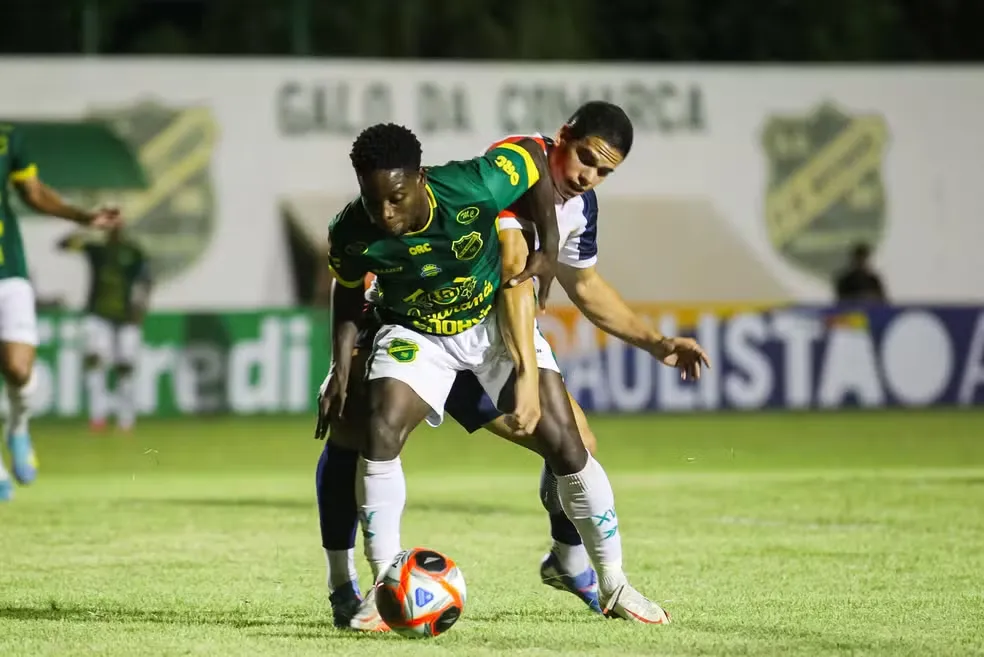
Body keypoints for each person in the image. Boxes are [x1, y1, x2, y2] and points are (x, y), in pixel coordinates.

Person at [316, 102, 711, 626]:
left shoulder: (551, 199)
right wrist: (340, 369)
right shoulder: (488, 179)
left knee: (573, 444)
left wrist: (653, 340)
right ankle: (373, 586)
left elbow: (581, 284)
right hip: (413, 327)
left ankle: (598, 576)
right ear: (563, 137)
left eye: (604, 171)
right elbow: (512, 266)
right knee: (367, 431)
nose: (588, 177)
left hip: (486, 330)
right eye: (585, 160)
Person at [0, 123, 122, 502]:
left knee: (19, 369)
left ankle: (18, 426)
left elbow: (32, 192)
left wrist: (82, 217)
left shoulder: (6, 137)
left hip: (8, 270)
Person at [57, 225, 152, 432]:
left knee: (125, 366)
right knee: (95, 360)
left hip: (127, 317)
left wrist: (142, 308)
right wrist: (86, 226)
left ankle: (125, 419)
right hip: (98, 314)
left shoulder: (134, 251)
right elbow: (62, 245)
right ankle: (97, 416)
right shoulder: (96, 249)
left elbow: (147, 280)